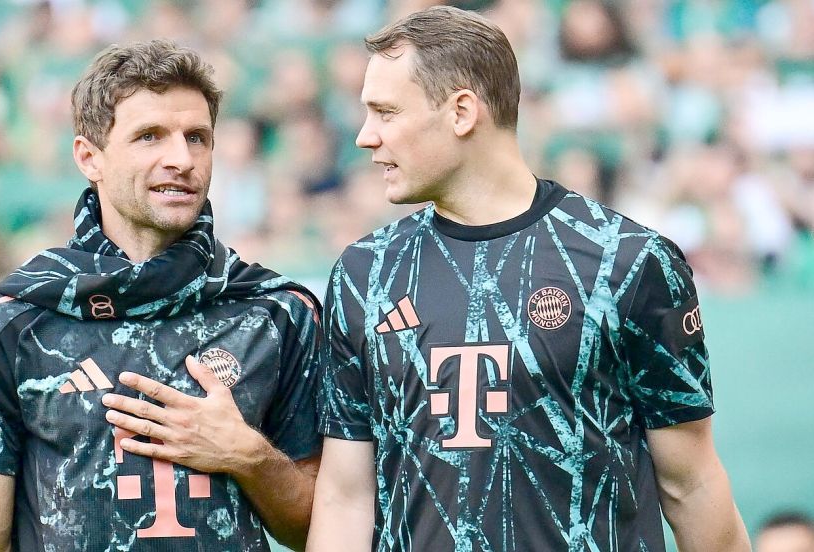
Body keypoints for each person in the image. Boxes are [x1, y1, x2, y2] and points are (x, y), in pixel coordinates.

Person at [306, 6, 749, 552]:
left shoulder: (629, 261)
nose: (364, 137)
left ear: (462, 112)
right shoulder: (364, 273)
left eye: (385, 112)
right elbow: (346, 496)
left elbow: (692, 485)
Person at [0, 39, 321, 551]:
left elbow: (319, 530)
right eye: (149, 137)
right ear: (89, 157)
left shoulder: (278, 312)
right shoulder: (7, 321)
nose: (181, 159)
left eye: (197, 138)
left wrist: (247, 455)